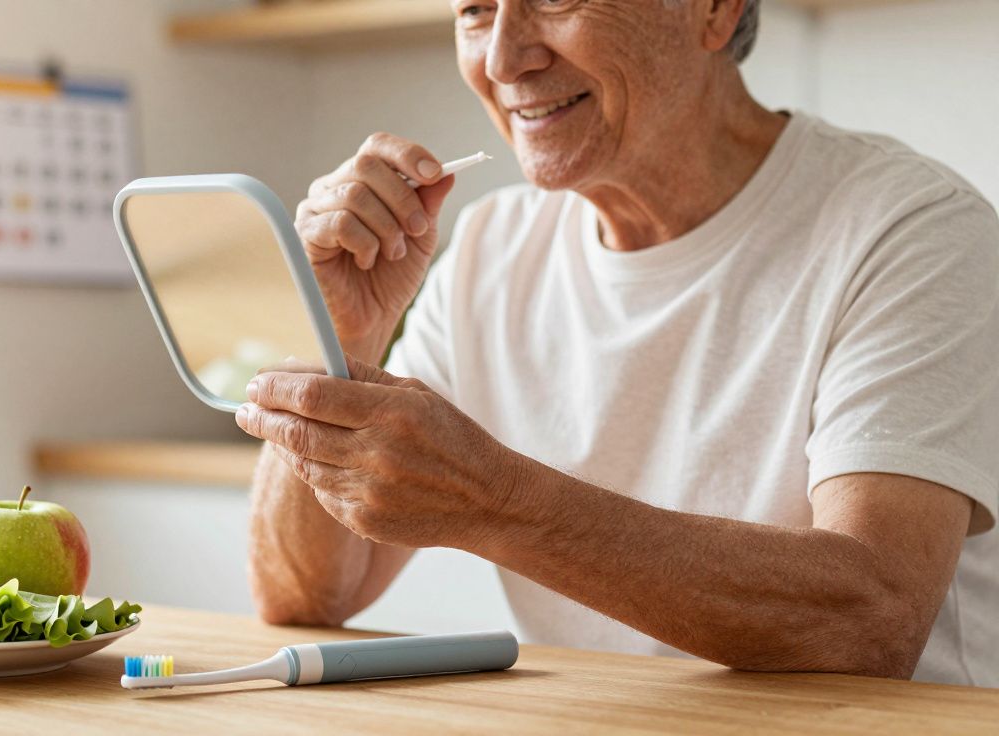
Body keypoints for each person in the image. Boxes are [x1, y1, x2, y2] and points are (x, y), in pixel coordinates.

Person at [236, 0, 999, 686]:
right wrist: (343, 333)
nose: (503, 59)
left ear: (714, 10)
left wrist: (494, 501)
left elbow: (869, 618)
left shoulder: (914, 232)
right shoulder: (492, 248)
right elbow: (307, 594)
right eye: (473, 9)